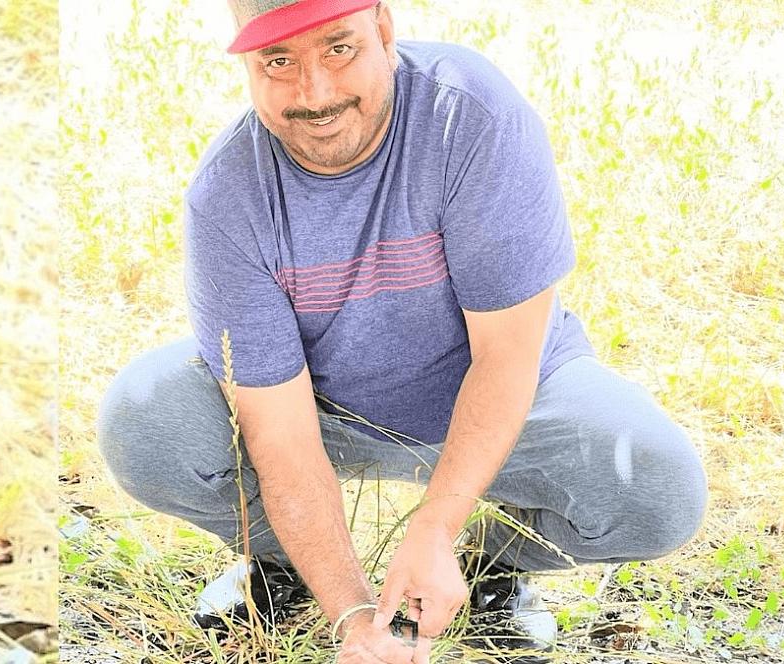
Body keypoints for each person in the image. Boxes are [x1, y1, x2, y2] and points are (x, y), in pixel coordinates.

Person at [96, 0, 708, 662]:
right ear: (246, 63)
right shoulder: (227, 198)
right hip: (325, 413)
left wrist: (436, 529)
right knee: (145, 417)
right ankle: (288, 568)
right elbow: (281, 438)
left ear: (384, 31)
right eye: (279, 61)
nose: (316, 93)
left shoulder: (469, 114)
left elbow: (506, 357)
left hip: (498, 390)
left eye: (339, 48)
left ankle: (488, 570)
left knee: (660, 491)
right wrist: (356, 619)